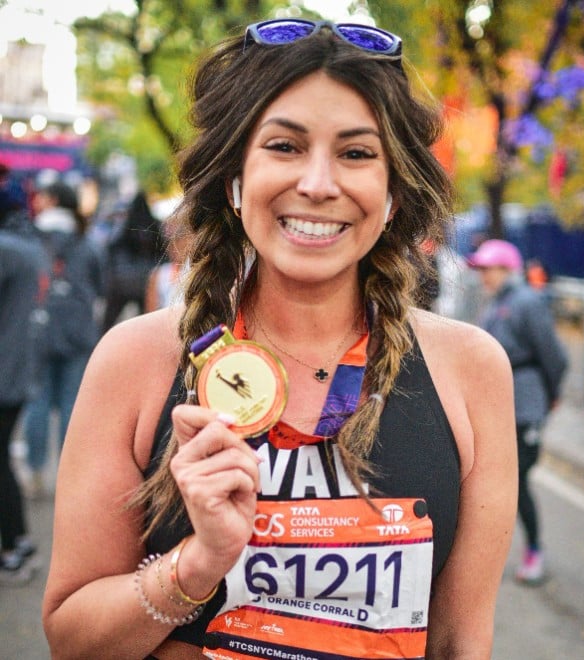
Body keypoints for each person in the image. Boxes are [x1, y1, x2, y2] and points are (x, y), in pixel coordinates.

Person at [43, 19, 517, 659]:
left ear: (394, 194)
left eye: (356, 153)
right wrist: (198, 563)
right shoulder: (135, 361)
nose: (319, 184)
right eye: (285, 147)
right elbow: (72, 641)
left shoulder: (471, 370)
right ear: (236, 178)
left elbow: (461, 641)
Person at [467, 239, 568, 586]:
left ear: (508, 268)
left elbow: (555, 356)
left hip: (525, 406)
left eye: (488, 269)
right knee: (494, 484)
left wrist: (550, 396)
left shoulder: (527, 302)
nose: (483, 276)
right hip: (501, 407)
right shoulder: (496, 302)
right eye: (480, 270)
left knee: (516, 483)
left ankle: (535, 551)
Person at [22, 181, 104, 499]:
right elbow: (100, 286)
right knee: (73, 403)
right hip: (78, 331)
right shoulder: (88, 241)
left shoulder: (32, 237)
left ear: (53, 199)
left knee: (38, 403)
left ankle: (35, 471)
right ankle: (69, 475)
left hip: (38, 330)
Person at [0, 166, 45, 583]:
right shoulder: (28, 245)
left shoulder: (6, 250)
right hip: (17, 366)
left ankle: (15, 543)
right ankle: (16, 542)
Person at [102, 189, 165, 330]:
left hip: (122, 281)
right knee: (145, 323)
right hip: (145, 280)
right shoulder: (154, 225)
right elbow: (163, 251)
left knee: (107, 323)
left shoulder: (126, 225)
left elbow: (112, 247)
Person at [144, 213, 192, 313]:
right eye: (169, 242)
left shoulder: (198, 271)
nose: (173, 247)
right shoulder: (159, 274)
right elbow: (150, 312)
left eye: (179, 239)